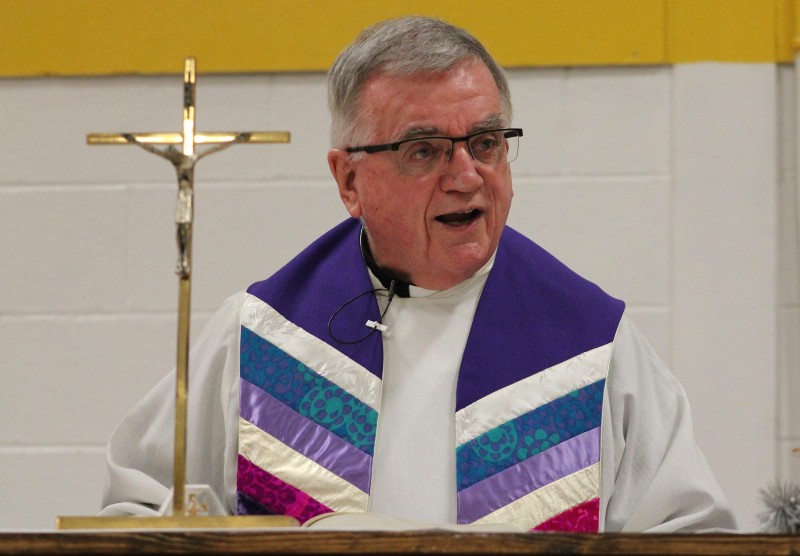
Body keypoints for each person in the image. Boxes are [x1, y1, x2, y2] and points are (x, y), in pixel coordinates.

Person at [100, 16, 736, 533]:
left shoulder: (593, 347)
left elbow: (689, 535)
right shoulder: (263, 337)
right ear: (349, 180)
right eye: (423, 150)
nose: (465, 175)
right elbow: (138, 511)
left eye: (486, 142)